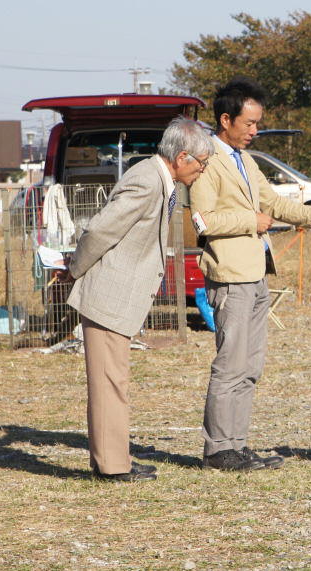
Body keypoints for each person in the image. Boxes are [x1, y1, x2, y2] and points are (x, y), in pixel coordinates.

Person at [189, 77, 311, 471]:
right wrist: (250, 220)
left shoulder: (246, 161)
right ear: (226, 120)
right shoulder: (206, 160)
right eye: (249, 123)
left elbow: (273, 202)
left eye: (258, 123)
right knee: (231, 364)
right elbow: (203, 220)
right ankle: (218, 450)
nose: (255, 131)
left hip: (256, 273)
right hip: (230, 274)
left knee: (250, 365)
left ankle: (237, 446)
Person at [63, 117, 214, 482]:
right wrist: (74, 271)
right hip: (107, 295)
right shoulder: (146, 179)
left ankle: (115, 459)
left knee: (114, 381)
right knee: (109, 382)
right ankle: (113, 466)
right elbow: (101, 228)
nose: (203, 171)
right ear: (182, 157)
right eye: (202, 163)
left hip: (118, 297)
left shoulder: (161, 179)